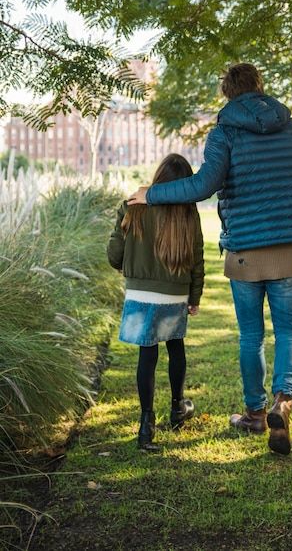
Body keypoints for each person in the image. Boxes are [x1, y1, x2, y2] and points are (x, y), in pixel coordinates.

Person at [128, 63, 292, 455]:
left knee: (251, 336)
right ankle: (283, 402)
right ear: (260, 86)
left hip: (245, 253)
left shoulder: (224, 134)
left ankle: (254, 412)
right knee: (289, 330)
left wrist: (149, 194)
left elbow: (203, 185)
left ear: (227, 94)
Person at [107, 154, 204, 451]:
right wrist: (194, 296)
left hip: (139, 294)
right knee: (176, 347)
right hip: (174, 292)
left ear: (158, 176)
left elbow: (114, 256)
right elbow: (197, 259)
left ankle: (146, 425)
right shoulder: (188, 212)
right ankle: (177, 408)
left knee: (146, 357)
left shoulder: (132, 207)